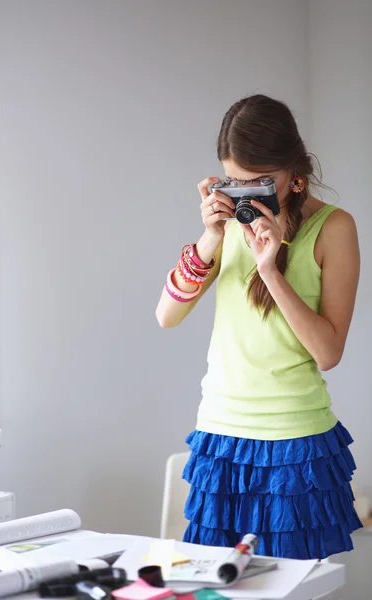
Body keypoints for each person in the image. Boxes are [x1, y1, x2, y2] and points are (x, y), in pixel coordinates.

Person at [155, 94, 362, 560]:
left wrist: (270, 269)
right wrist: (211, 234)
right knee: (216, 588)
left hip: (296, 442)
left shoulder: (334, 228)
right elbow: (166, 315)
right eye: (237, 182)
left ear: (294, 171)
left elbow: (328, 352)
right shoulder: (228, 225)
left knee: (290, 587)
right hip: (220, 438)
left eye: (262, 182)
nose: (251, 195)